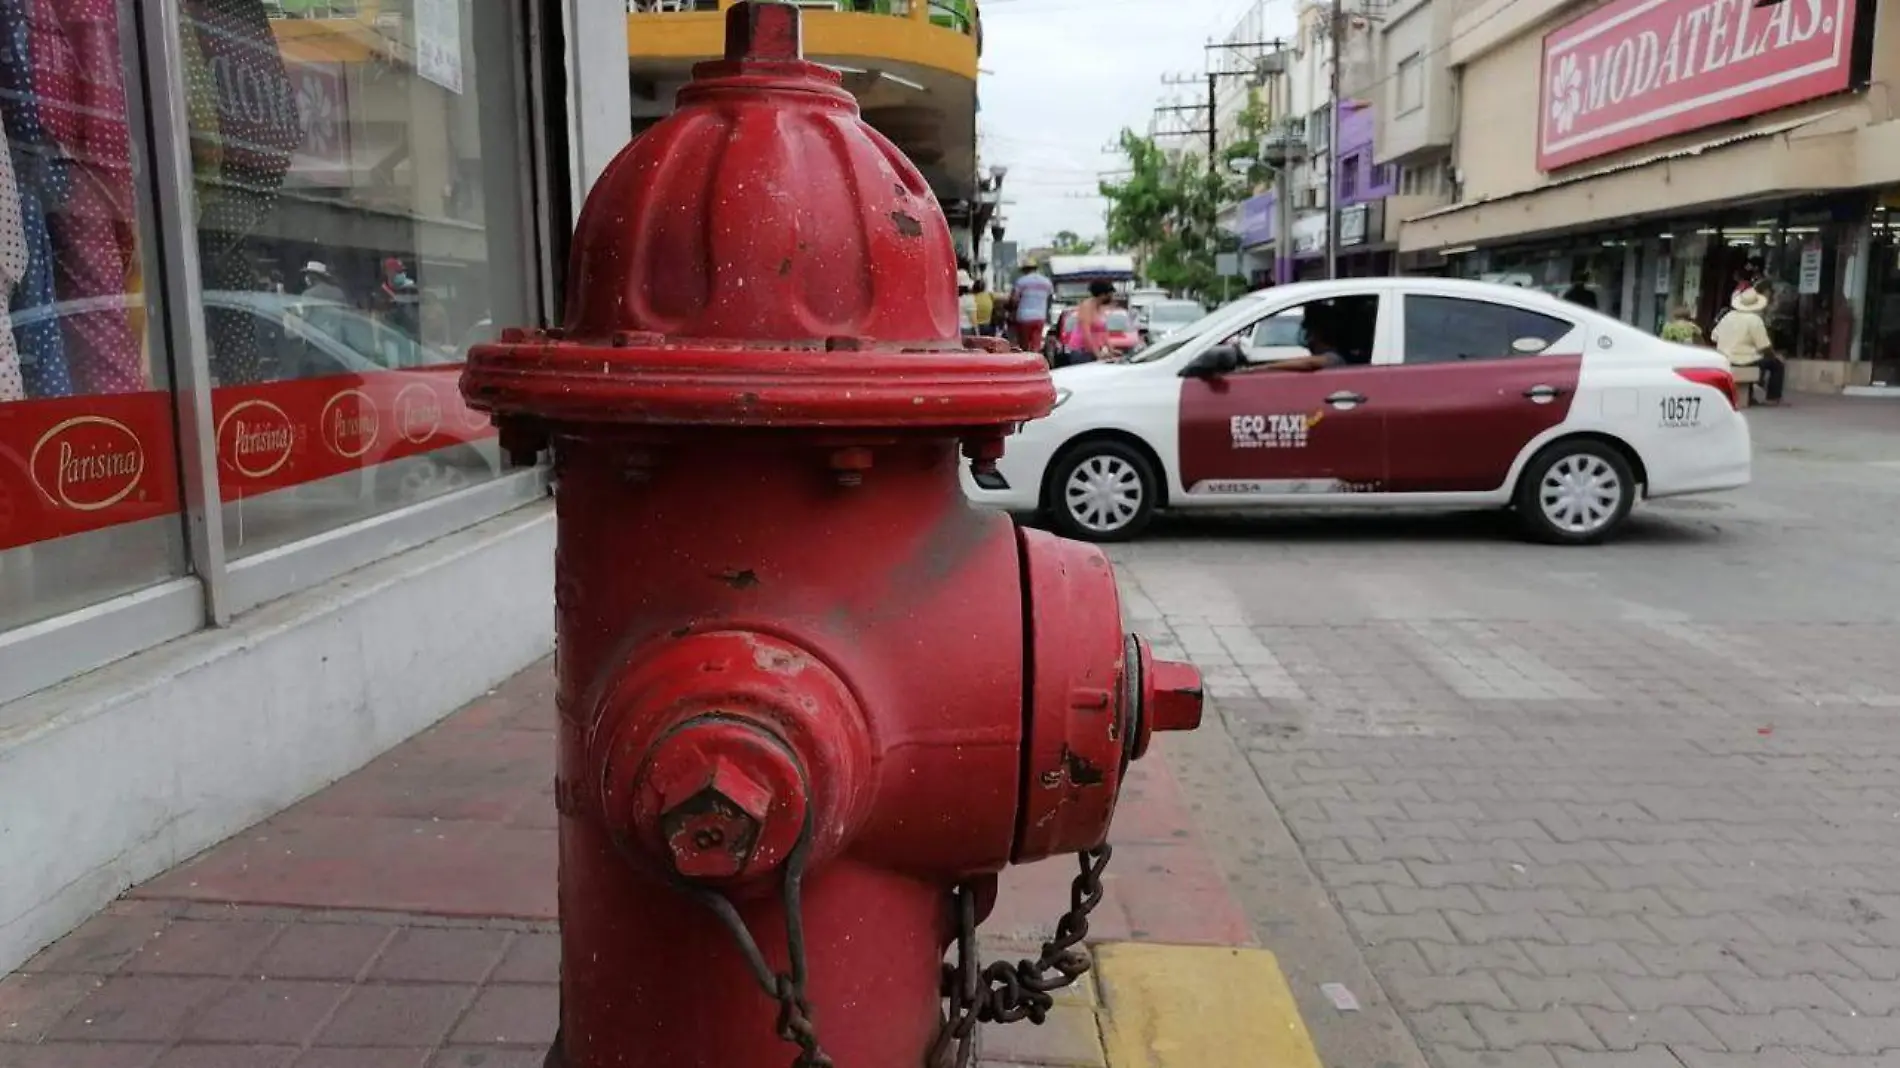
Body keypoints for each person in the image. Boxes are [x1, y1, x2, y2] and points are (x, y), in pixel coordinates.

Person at [1711, 284, 1785, 405]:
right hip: (1743, 359)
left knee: (1755, 361)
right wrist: (1774, 356)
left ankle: (1750, 396)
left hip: (1725, 357)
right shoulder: (1754, 320)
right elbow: (1764, 346)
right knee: (1777, 365)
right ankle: (1773, 397)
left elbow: (1714, 337)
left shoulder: (1728, 316)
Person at [1009, 264, 1054, 354]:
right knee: (1035, 344)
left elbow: (1014, 300)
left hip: (1024, 317)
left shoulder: (1021, 281)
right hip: (1040, 317)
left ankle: (1024, 362)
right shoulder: (1046, 282)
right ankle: (1034, 361)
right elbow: (1050, 298)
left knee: (1024, 345)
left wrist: (1011, 310)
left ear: (1025, 270)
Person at [956, 270, 978, 335]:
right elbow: (973, 320)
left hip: (954, 330)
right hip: (966, 330)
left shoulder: (951, 299)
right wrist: (977, 333)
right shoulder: (969, 299)